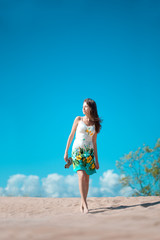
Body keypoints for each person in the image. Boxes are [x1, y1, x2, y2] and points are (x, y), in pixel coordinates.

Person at [64, 98, 102, 214]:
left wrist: (96, 160)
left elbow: (94, 143)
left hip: (89, 153)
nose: (83, 108)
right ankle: (85, 204)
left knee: (86, 178)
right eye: (83, 106)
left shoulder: (95, 124)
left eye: (85, 106)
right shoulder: (78, 119)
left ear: (91, 108)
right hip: (77, 151)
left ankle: (83, 201)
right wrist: (66, 152)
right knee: (81, 175)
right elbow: (71, 135)